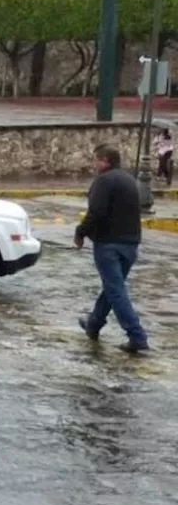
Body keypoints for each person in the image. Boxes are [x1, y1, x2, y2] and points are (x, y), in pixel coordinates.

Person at [75, 144, 148, 353]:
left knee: (116, 291)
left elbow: (96, 211)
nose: (94, 164)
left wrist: (81, 232)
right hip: (130, 244)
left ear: (105, 161)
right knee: (112, 287)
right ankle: (94, 323)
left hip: (109, 245)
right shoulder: (128, 180)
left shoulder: (104, 181)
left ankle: (137, 335)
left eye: (96, 160)